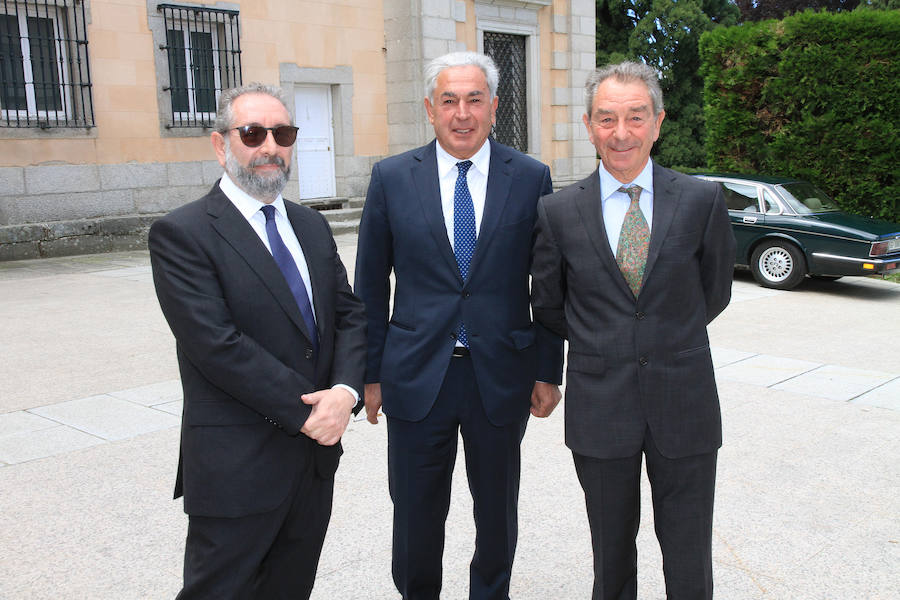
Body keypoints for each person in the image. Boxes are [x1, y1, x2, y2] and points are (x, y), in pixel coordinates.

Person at [354, 51, 564, 600]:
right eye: (449, 100)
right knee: (415, 513)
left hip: (501, 375)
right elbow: (370, 287)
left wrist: (548, 369)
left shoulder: (531, 177)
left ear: (495, 108)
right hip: (415, 377)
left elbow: (547, 286)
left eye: (475, 100)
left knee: (497, 512)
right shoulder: (393, 178)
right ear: (430, 108)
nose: (462, 113)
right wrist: (367, 374)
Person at [148, 83, 366, 599]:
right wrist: (312, 412)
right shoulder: (183, 234)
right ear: (221, 145)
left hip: (312, 465)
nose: (270, 146)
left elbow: (350, 315)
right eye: (252, 133)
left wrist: (346, 394)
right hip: (236, 467)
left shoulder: (311, 225)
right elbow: (217, 345)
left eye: (283, 133)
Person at [530, 62, 736, 599]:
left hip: (685, 404)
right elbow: (550, 307)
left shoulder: (701, 200)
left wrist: (663, 337)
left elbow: (713, 294)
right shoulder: (557, 212)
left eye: (635, 117)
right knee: (611, 554)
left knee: (689, 553)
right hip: (601, 408)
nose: (621, 133)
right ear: (589, 125)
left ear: (659, 122)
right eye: (606, 119)